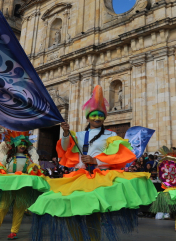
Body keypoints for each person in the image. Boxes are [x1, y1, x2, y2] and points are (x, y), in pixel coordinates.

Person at [29, 85, 157, 241]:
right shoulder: (80, 135)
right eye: (94, 115)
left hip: (100, 177)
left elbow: (116, 157)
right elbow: (64, 148)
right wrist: (65, 133)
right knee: (71, 212)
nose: (97, 118)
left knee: (92, 215)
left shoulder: (111, 135)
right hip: (79, 178)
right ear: (88, 117)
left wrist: (95, 160)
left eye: (100, 115)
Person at [0, 129, 48, 240]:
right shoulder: (7, 158)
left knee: (20, 208)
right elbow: (0, 167)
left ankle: (14, 232)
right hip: (8, 185)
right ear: (15, 144)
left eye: (24, 144)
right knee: (3, 207)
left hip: (22, 186)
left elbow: (31, 169)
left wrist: (34, 168)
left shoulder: (29, 159)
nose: (22, 145)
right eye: (20, 143)